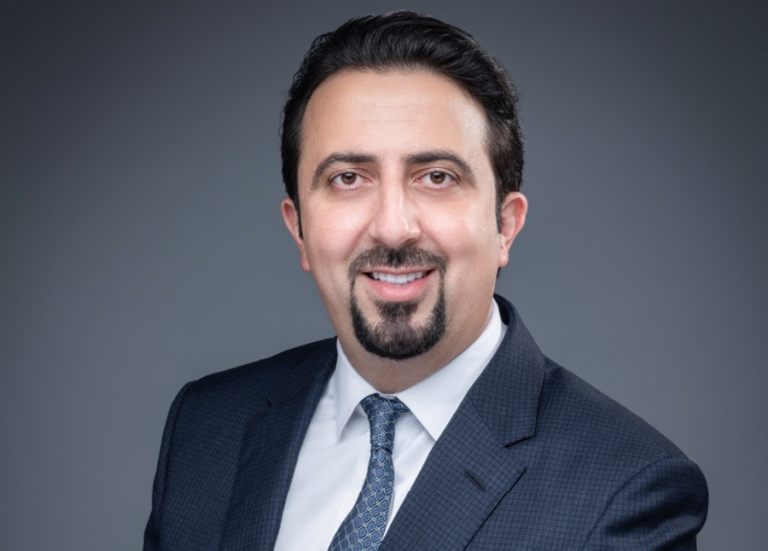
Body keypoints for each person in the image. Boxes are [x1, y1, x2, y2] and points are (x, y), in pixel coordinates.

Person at [144, 11, 708, 551]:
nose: (393, 227)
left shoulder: (624, 490)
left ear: (505, 226)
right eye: (348, 178)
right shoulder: (207, 426)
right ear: (299, 231)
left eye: (436, 177)